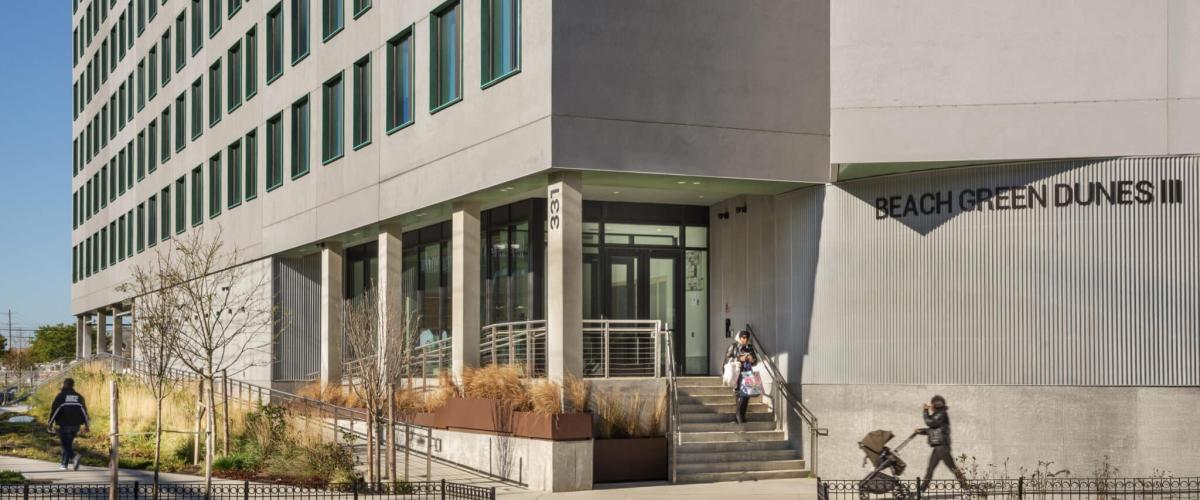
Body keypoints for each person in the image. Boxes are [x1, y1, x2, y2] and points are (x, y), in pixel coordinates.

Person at [914, 395, 968, 492]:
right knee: (930, 469)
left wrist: (925, 411)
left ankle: (967, 488)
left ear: (936, 404)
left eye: (932, 404)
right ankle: (921, 491)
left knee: (952, 468)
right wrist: (920, 431)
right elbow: (932, 429)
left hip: (942, 447)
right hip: (938, 447)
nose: (931, 406)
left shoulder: (941, 414)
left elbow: (930, 422)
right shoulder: (938, 414)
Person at [48, 377, 89, 471]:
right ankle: (64, 464)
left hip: (64, 424)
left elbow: (55, 410)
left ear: (65, 384)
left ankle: (73, 457)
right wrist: (86, 425)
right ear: (72, 385)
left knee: (65, 444)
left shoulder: (61, 396)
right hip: (75, 425)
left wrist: (50, 423)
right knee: (68, 443)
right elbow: (84, 412)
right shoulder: (79, 397)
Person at [724, 330, 758, 424]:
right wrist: (738, 358)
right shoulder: (733, 346)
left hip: (748, 373)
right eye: (743, 337)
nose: (745, 340)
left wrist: (752, 360)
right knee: (740, 394)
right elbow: (727, 359)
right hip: (737, 373)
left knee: (747, 396)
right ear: (739, 337)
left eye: (746, 338)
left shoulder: (749, 347)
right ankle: (738, 416)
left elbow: (755, 361)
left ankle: (742, 416)